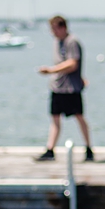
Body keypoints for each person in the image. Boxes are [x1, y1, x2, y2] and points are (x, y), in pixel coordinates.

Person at [36, 15, 93, 162]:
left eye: (54, 29)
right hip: (57, 87)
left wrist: (51, 70)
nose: (52, 32)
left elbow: (73, 63)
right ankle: (50, 150)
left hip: (71, 89)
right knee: (55, 118)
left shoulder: (72, 41)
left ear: (62, 27)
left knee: (79, 117)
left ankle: (88, 149)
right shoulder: (56, 41)